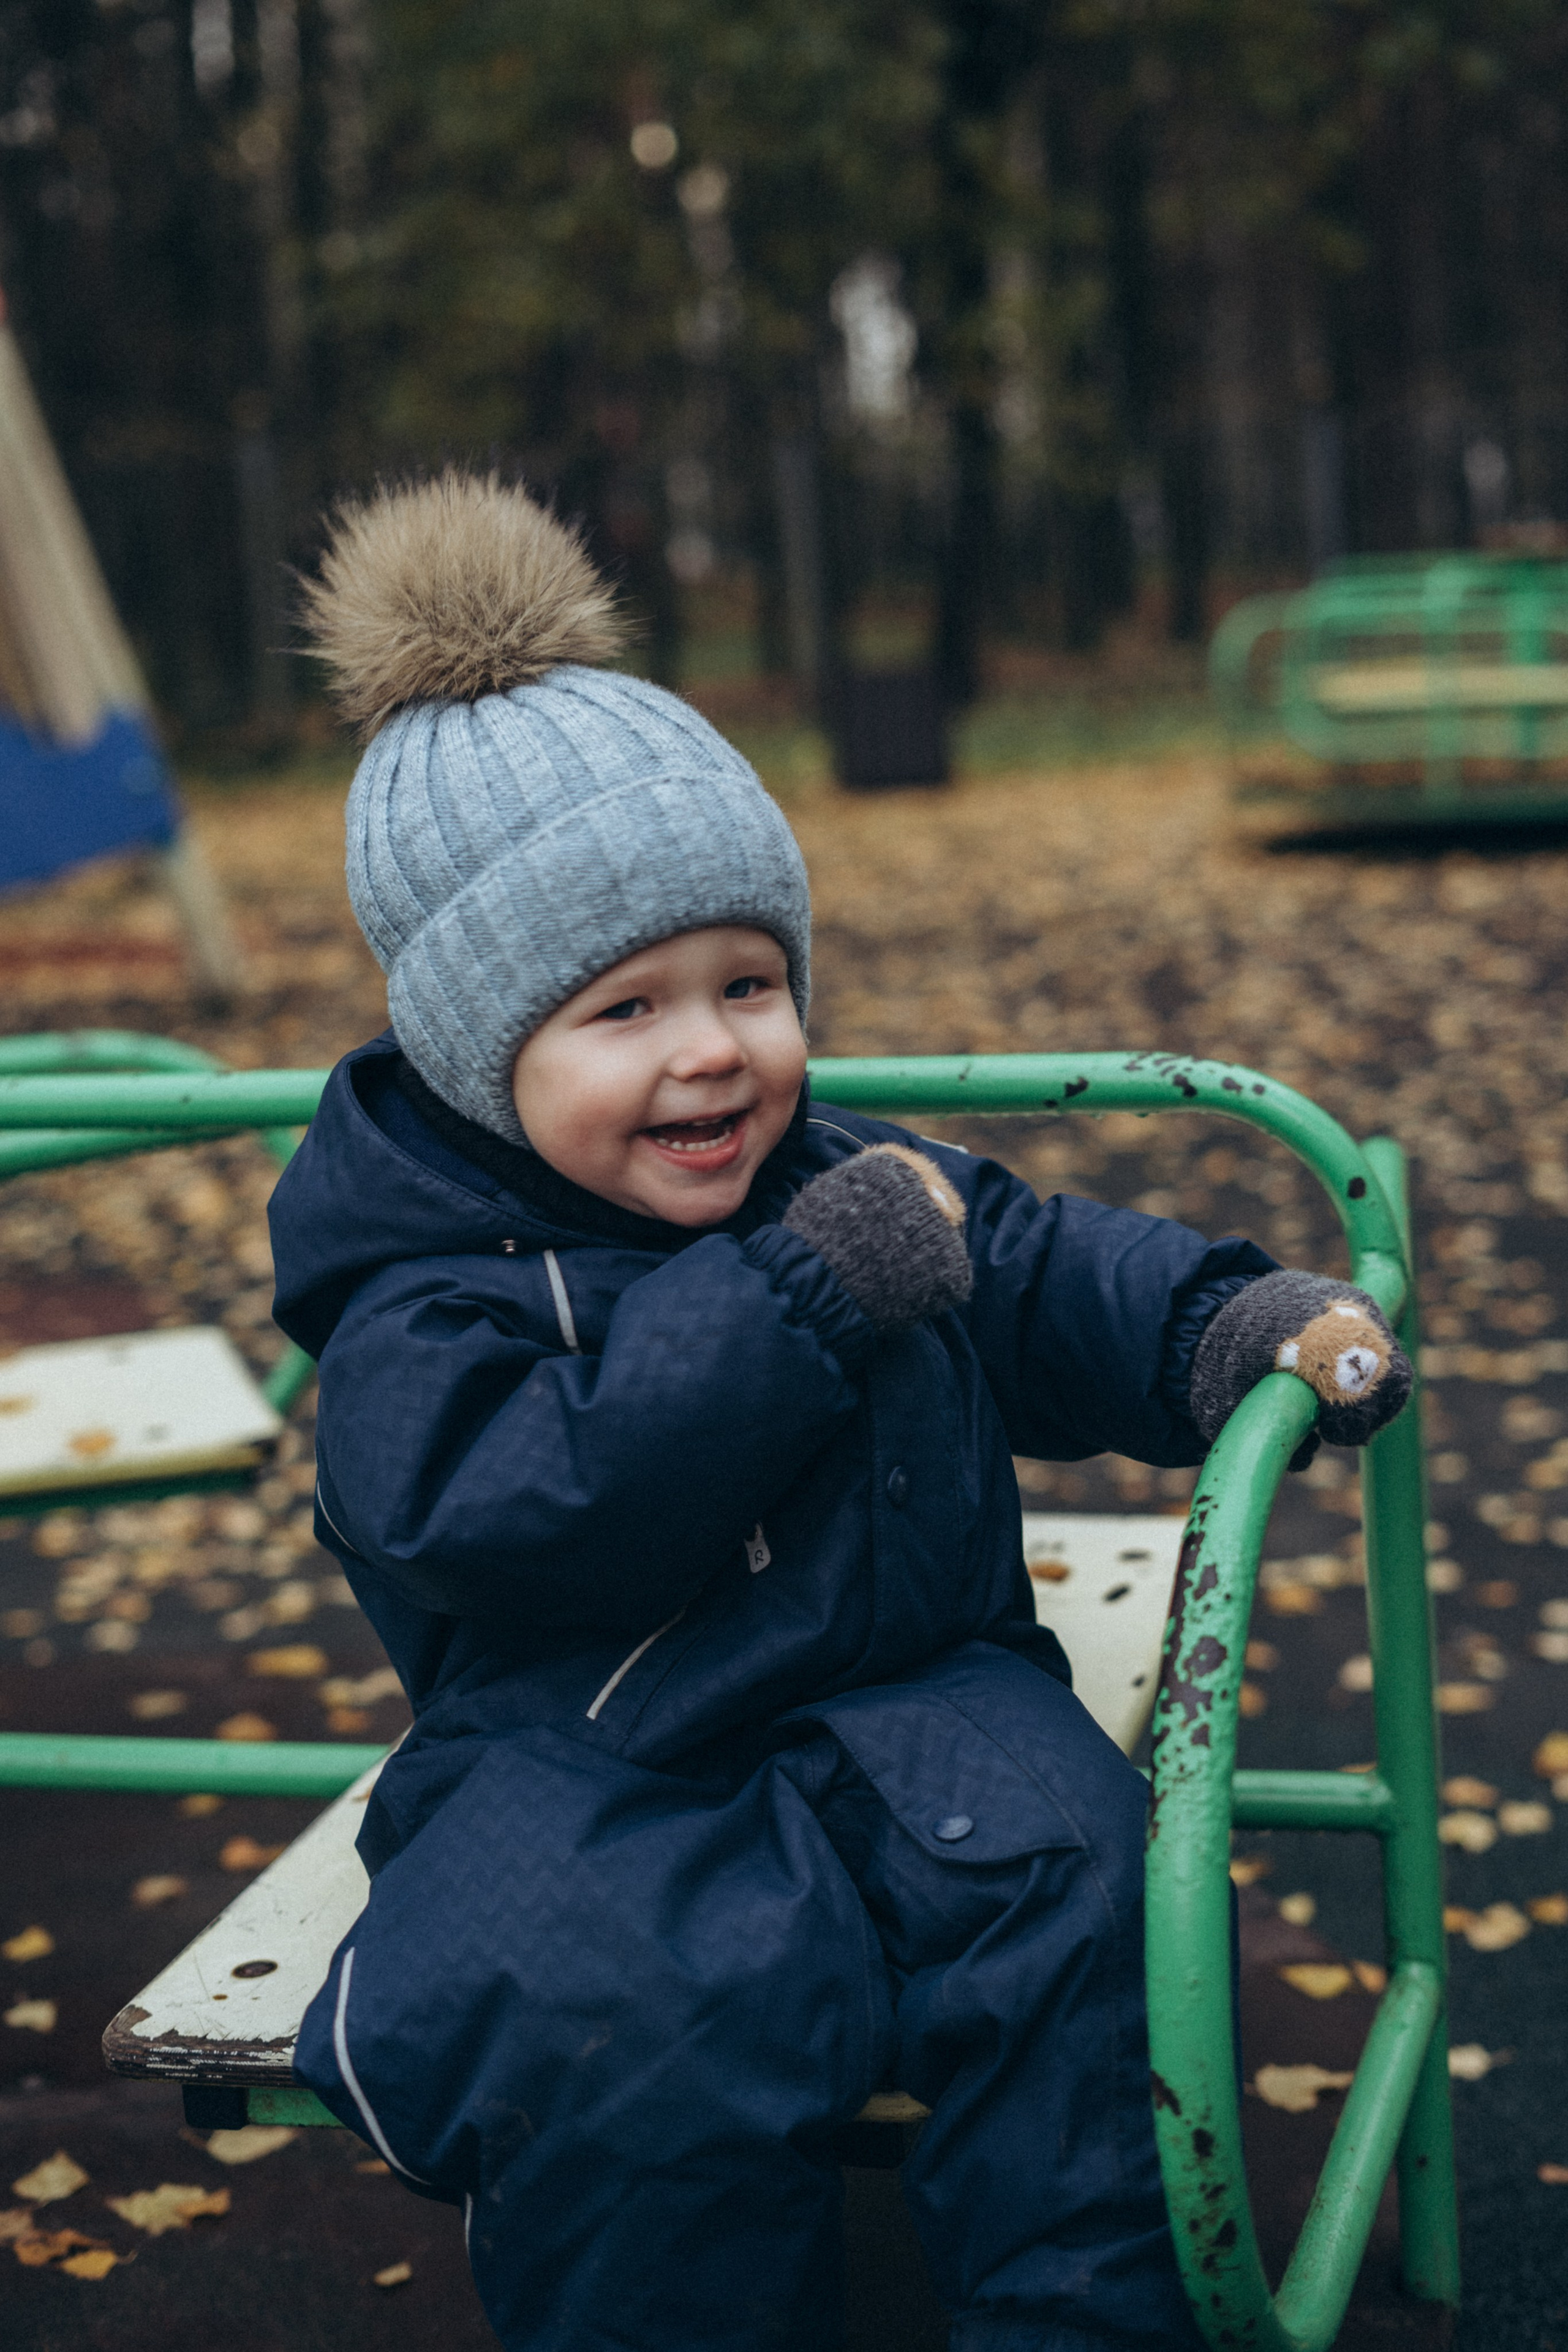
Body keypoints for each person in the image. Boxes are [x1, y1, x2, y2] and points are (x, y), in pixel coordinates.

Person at [270, 472, 1411, 2352]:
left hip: (924, 1700)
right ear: (485, 1055)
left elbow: (1042, 1268)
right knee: (608, 2031)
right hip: (597, 1758)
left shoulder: (845, 1174)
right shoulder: (426, 1294)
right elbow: (509, 1506)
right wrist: (797, 1298)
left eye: (749, 980)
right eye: (623, 1011)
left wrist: (1230, 1326)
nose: (714, 1047)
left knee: (1083, 1911)